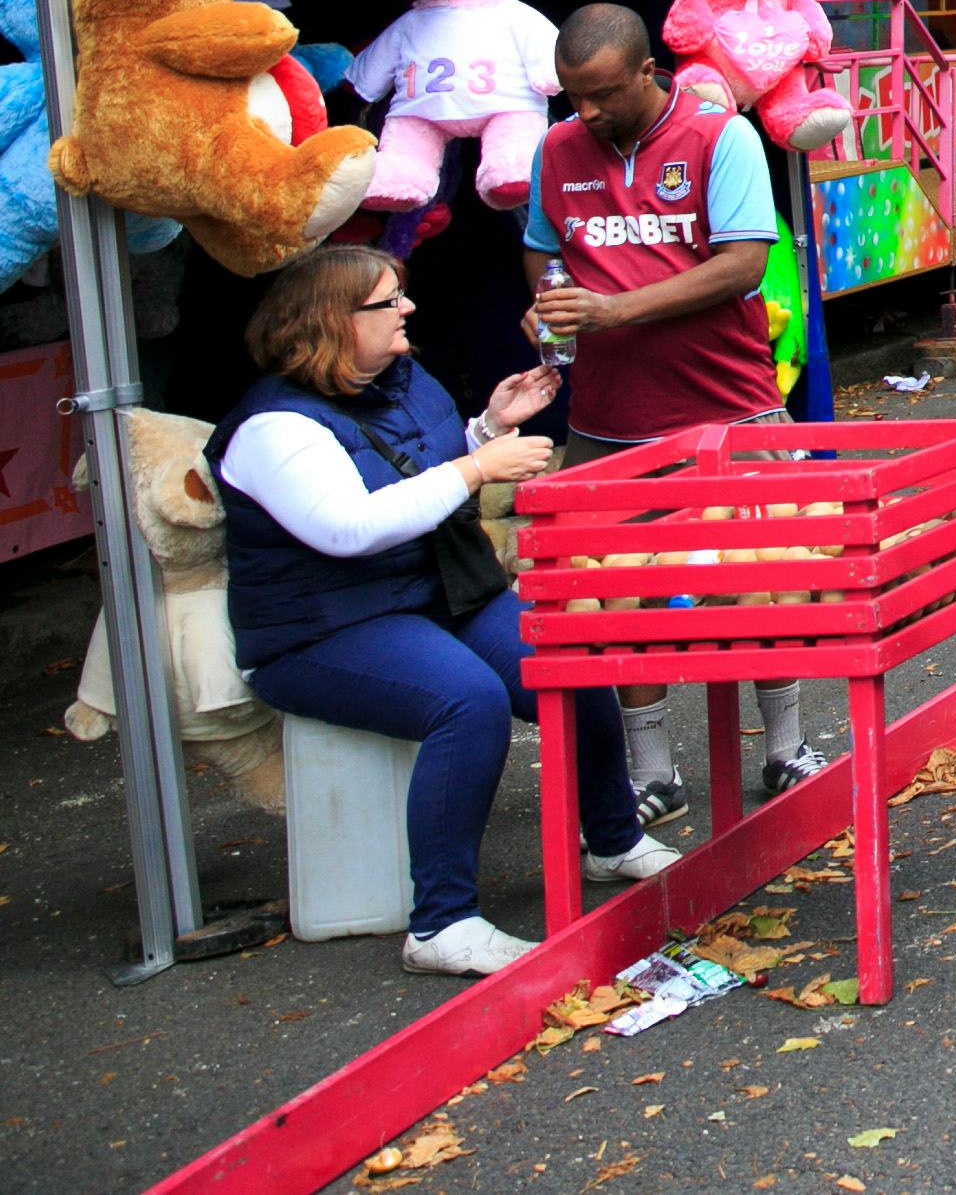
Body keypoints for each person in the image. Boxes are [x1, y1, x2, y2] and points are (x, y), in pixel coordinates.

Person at [214, 247, 675, 976]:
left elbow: (414, 472)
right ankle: (442, 922)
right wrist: (477, 466)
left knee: (569, 660)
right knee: (467, 701)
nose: (408, 309)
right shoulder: (274, 427)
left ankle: (612, 839)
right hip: (322, 630)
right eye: (388, 301)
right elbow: (349, 526)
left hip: (435, 593)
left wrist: (486, 428)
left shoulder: (397, 376)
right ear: (333, 321)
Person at [518, 3, 818, 824]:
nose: (586, 112)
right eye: (572, 96)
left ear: (648, 71)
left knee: (763, 583)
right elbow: (542, 246)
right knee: (620, 598)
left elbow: (742, 264)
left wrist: (616, 310)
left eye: (603, 93)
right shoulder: (557, 149)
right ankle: (654, 770)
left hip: (730, 408)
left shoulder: (722, 138)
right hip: (607, 420)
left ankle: (786, 747)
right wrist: (545, 302)